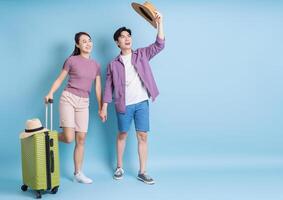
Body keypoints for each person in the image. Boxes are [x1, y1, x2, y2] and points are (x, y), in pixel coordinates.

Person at [100, 11, 165, 185]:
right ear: (117, 42)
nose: (127, 38)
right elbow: (108, 87)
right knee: (122, 134)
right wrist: (104, 106)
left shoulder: (142, 54)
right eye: (123, 36)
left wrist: (160, 23)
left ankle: (142, 171)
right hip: (124, 105)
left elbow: (159, 45)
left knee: (143, 136)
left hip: (142, 103)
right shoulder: (113, 64)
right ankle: (119, 167)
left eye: (129, 36)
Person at [45, 32, 102, 184]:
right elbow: (60, 79)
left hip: (84, 102)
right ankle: (49, 136)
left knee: (81, 138)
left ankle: (78, 173)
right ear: (77, 45)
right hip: (68, 98)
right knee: (69, 138)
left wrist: (101, 107)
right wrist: (50, 92)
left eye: (89, 40)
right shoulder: (71, 60)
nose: (88, 43)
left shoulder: (96, 64)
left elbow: (97, 88)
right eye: (83, 41)